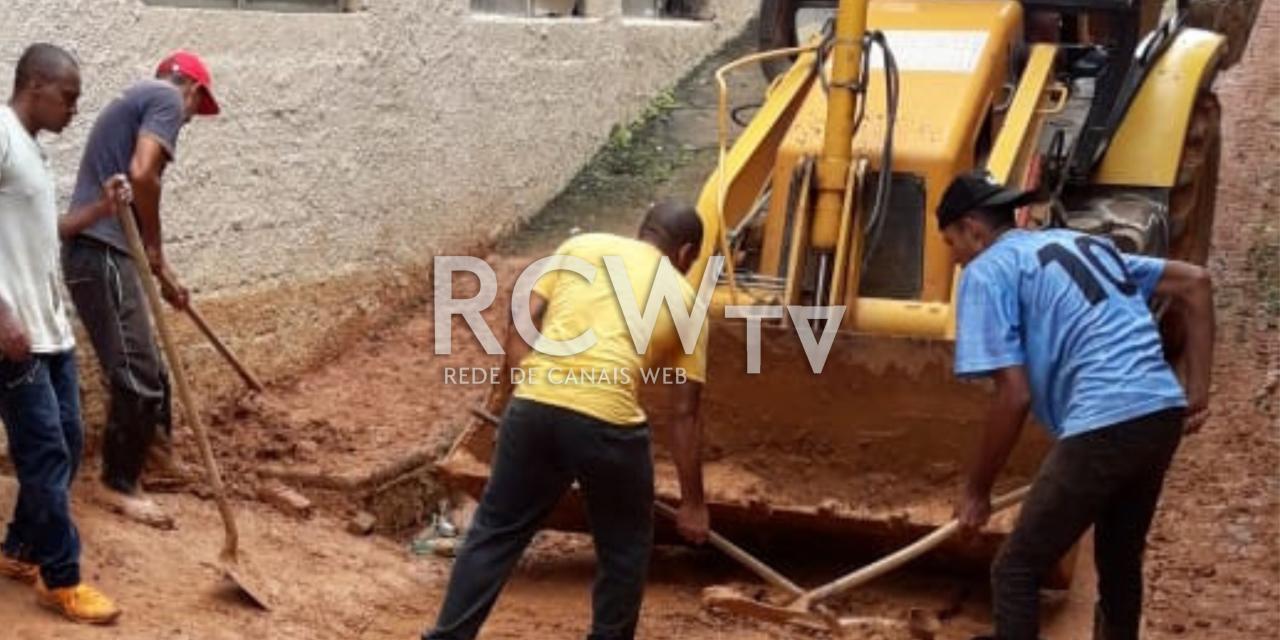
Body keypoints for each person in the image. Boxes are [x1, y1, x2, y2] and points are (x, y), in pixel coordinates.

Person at [937, 170, 1216, 640]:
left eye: (952, 245)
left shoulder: (987, 270)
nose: (958, 260)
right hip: (1160, 411)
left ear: (973, 228)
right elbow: (1196, 283)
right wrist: (1197, 392)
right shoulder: (1079, 244)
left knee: (1016, 569)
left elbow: (1014, 393)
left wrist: (976, 492)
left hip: (1106, 417)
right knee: (1119, 559)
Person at [424, 202, 713, 640]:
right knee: (624, 551)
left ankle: (446, 637)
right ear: (687, 253)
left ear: (643, 231)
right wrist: (693, 504)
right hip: (608, 424)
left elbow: (521, 317)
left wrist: (526, 388)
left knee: (494, 532)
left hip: (535, 407)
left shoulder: (582, 245)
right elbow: (684, 414)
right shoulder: (688, 300)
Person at [61, 50, 220, 529]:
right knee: (136, 373)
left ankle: (156, 456)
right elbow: (143, 173)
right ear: (191, 88)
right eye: (196, 109)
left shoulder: (139, 97)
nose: (188, 120)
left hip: (108, 251)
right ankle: (118, 482)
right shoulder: (167, 99)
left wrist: (160, 269)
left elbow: (133, 183)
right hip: (100, 251)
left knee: (150, 366)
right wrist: (154, 247)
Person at [0, 42, 125, 624]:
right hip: (15, 335)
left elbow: (46, 236)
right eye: (68, 97)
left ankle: (22, 548)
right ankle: (61, 577)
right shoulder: (1, 132)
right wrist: (2, 317)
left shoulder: (31, 152)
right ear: (35, 86)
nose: (74, 109)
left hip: (50, 332)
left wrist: (100, 208)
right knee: (47, 453)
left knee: (69, 444)